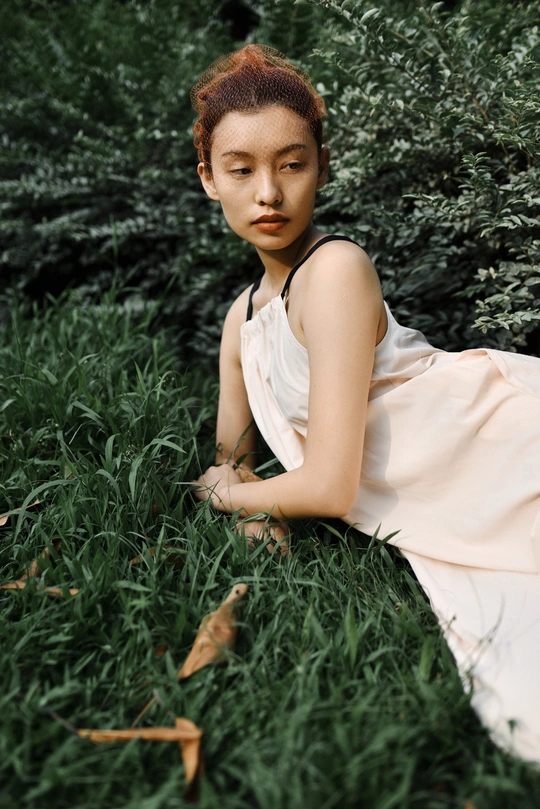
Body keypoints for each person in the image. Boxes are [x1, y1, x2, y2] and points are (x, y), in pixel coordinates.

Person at [191, 44, 540, 763]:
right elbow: (233, 459)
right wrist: (250, 500)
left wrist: (230, 497)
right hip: (452, 489)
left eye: (292, 164)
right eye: (241, 169)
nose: (268, 193)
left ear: (322, 167)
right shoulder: (241, 320)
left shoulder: (336, 271)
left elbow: (326, 487)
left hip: (495, 447)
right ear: (208, 178)